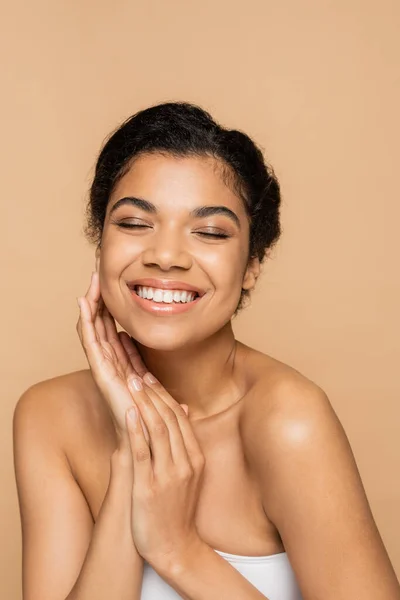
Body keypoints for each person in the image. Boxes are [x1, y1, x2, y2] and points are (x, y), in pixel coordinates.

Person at [13, 102, 400, 600]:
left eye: (210, 232)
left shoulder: (288, 421)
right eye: (134, 224)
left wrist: (179, 550)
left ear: (252, 265)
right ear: (100, 242)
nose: (166, 255)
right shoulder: (49, 417)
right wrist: (135, 454)